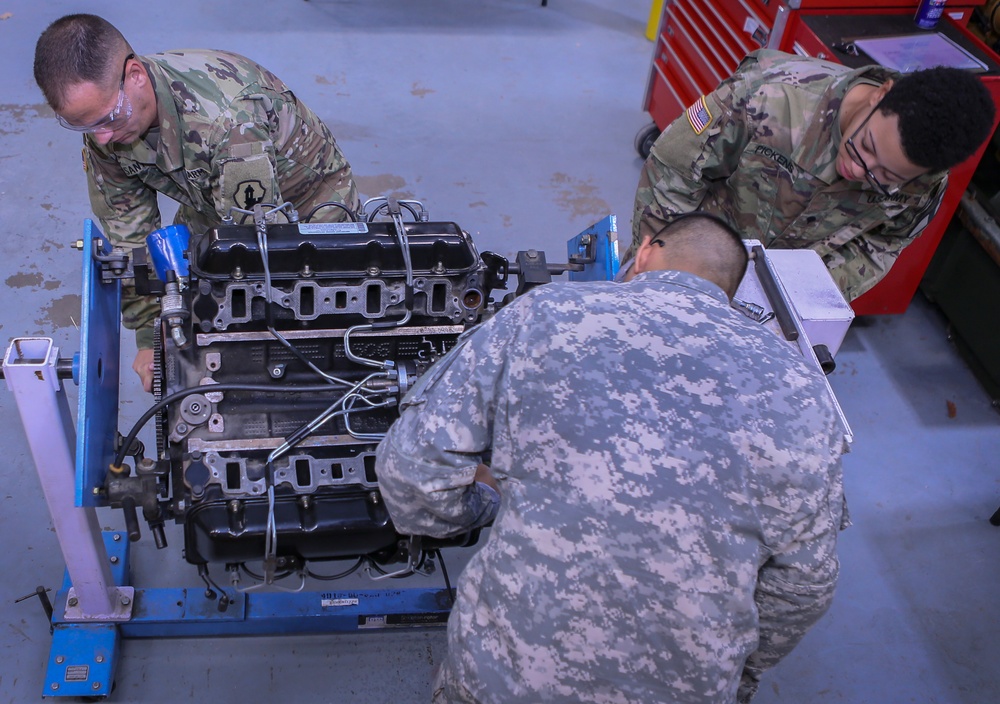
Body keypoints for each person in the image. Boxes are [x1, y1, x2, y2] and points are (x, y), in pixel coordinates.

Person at [375, 214, 848, 703]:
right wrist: (738, 674)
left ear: (644, 252)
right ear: (728, 293)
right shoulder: (803, 390)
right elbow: (803, 586)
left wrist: (486, 508)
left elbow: (409, 472)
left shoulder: (545, 312)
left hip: (507, 678)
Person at [33, 14, 360, 391]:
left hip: (308, 203)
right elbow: (130, 237)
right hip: (211, 201)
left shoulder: (228, 121)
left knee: (303, 330)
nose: (103, 137)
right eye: (86, 126)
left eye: (108, 117)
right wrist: (150, 335)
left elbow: (253, 246)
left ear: (135, 75)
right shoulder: (107, 127)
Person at [627, 49, 996, 298]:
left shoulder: (923, 186)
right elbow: (673, 169)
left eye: (885, 176)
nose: (856, 169)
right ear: (880, 94)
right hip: (695, 252)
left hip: (771, 294)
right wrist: (659, 265)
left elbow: (880, 246)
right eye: (865, 146)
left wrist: (798, 296)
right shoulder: (774, 95)